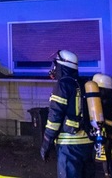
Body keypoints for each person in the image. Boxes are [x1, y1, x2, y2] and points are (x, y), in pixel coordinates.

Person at [40, 50, 95, 178]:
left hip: (69, 146)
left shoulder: (62, 85)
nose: (54, 68)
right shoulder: (83, 84)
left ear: (62, 66)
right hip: (87, 144)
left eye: (56, 65)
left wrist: (46, 143)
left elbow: (55, 117)